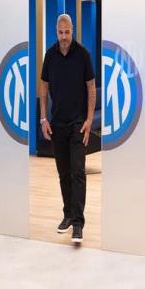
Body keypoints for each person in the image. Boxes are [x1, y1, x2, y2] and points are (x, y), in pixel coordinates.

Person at [39, 13, 96, 244]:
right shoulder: (50, 55)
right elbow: (43, 88)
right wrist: (43, 119)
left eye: (67, 32)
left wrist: (89, 120)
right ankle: (68, 215)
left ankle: (79, 223)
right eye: (61, 33)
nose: (64, 37)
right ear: (56, 31)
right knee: (63, 173)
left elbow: (91, 88)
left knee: (78, 172)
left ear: (73, 31)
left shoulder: (83, 54)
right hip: (57, 124)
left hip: (78, 124)